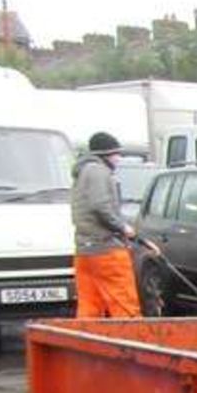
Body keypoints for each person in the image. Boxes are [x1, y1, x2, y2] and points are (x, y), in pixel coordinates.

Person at [71, 132, 142, 318]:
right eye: (117, 154)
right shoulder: (99, 171)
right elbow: (100, 206)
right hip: (107, 251)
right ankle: (131, 342)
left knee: (90, 306)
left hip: (85, 252)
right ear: (107, 154)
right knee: (125, 304)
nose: (119, 158)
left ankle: (85, 343)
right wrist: (123, 227)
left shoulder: (83, 172)